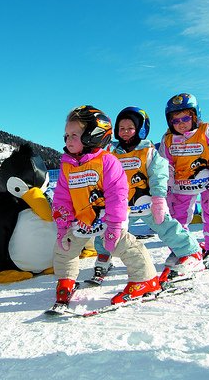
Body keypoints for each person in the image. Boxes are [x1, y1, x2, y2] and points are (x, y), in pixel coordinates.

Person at [51, 105, 160, 306]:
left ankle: (145, 279)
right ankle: (66, 280)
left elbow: (118, 194)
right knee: (64, 249)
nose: (68, 140)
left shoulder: (107, 161)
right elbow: (61, 197)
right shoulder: (67, 164)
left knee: (125, 246)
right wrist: (62, 224)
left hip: (109, 218)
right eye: (66, 135)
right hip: (82, 219)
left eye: (74, 135)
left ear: (94, 135)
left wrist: (114, 226)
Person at [92, 107, 204, 286]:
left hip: (146, 202)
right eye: (122, 128)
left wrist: (159, 198)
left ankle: (190, 252)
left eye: (130, 128)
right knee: (106, 229)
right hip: (120, 205)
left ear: (140, 129)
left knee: (166, 227)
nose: (126, 132)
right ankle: (104, 254)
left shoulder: (149, 151)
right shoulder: (110, 152)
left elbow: (159, 175)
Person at [159, 93, 209, 267]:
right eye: (176, 121)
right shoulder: (168, 139)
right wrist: (167, 189)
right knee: (177, 218)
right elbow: (165, 165)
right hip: (181, 186)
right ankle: (181, 249)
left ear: (195, 116)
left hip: (207, 185)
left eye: (185, 118)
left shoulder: (207, 132)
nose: (181, 124)